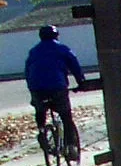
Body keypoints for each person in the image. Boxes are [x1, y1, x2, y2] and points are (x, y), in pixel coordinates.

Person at [25, 25, 85, 157]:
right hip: (57, 87)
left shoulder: (34, 51)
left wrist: (32, 89)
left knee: (40, 110)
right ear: (56, 35)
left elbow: (28, 71)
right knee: (66, 116)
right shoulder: (62, 49)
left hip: (37, 88)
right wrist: (81, 82)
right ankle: (70, 147)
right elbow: (74, 64)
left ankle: (41, 131)